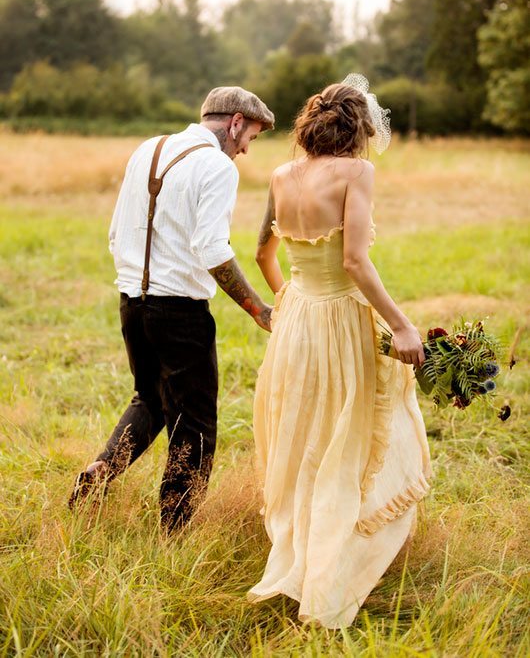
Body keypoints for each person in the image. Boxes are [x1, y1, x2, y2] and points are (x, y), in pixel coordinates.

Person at [247, 74, 432, 628]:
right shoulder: (357, 172)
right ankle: (329, 574)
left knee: (306, 434)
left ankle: (303, 554)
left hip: (297, 317)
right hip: (342, 318)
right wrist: (401, 325)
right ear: (360, 130)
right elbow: (354, 261)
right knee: (347, 436)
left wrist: (292, 302)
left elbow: (261, 253)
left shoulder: (282, 174)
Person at [69, 86, 275, 533]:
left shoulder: (148, 148)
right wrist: (257, 308)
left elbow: (113, 232)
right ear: (235, 122)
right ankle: (174, 531)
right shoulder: (217, 166)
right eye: (250, 139)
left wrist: (138, 283)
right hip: (180, 313)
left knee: (150, 399)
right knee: (195, 426)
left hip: (131, 304)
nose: (244, 151)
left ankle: (101, 470)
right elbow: (212, 250)